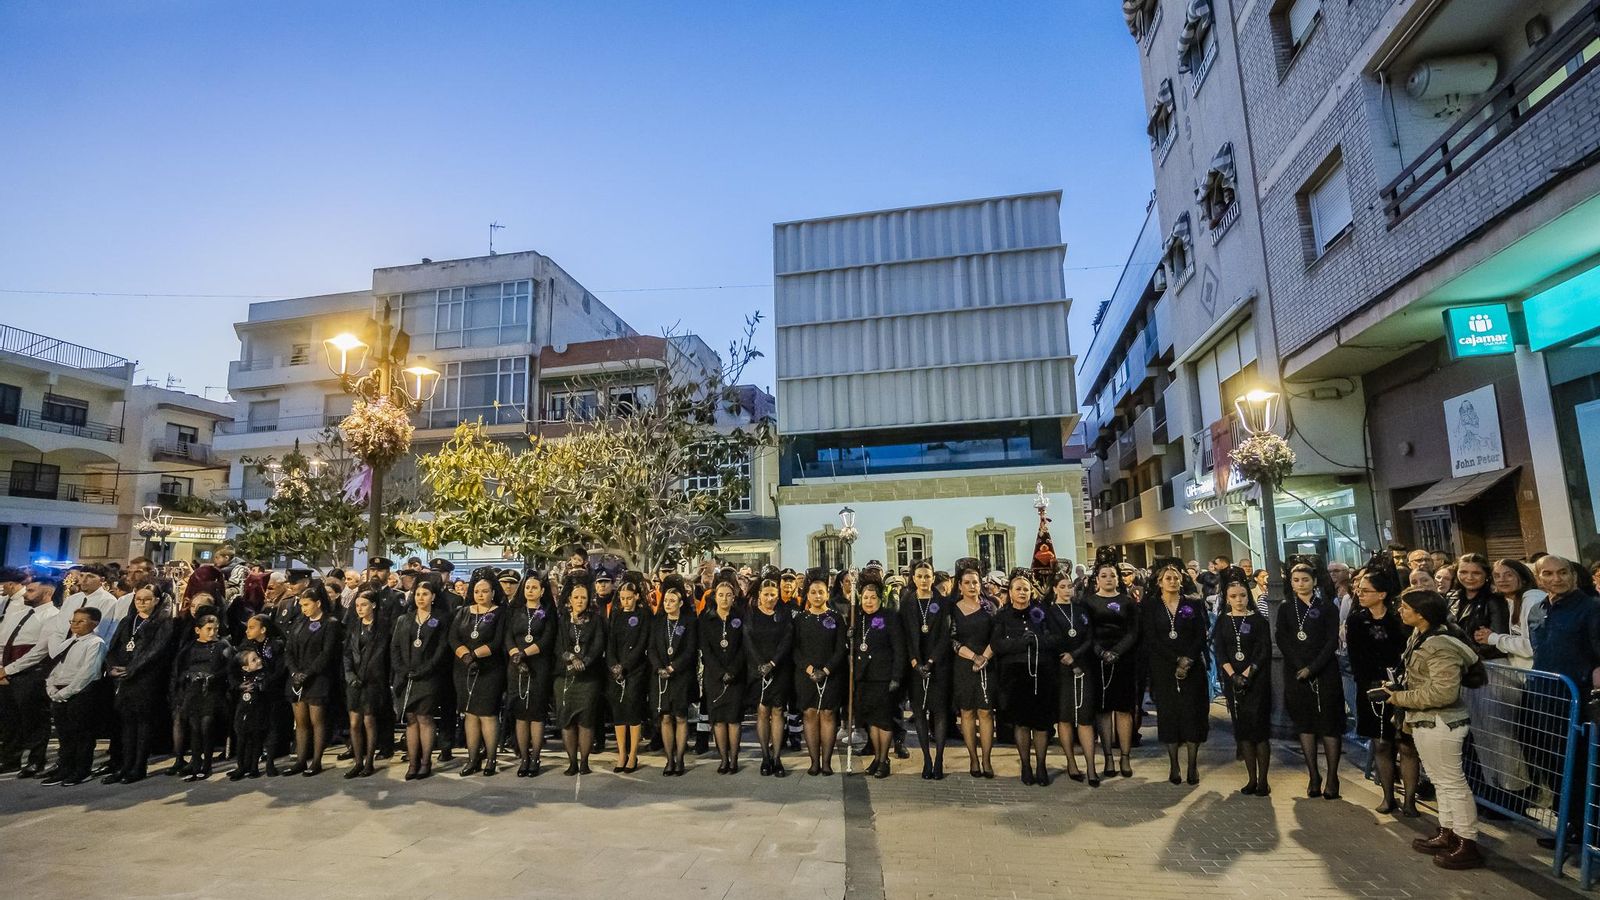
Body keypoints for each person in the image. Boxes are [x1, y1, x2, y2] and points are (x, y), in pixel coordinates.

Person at [1375, 589, 1486, 870]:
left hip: (1441, 722)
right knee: (1440, 781)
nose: (1399, 610)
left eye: (1404, 606)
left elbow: (1443, 692)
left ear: (1421, 613)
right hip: (1425, 720)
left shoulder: (1440, 644)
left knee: (1452, 782)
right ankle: (1448, 831)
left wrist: (1398, 697)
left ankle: (1466, 840)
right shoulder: (1420, 636)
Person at [1525, 554, 1600, 853]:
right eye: (1548, 574)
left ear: (1573, 574)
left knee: (1581, 768)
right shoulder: (1537, 610)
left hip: (1577, 702)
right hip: (1543, 699)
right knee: (1554, 766)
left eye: (1563, 572)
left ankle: (1588, 834)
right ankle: (1569, 826)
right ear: (1539, 578)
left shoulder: (1592, 609)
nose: (1556, 579)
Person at [1346, 565, 1416, 816]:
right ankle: (1388, 797)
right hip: (1371, 688)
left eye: (1366, 590)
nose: (1360, 594)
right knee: (1381, 744)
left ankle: (1410, 800)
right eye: (1359, 590)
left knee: (1406, 745)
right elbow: (1355, 656)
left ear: (1382, 594)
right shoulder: (1356, 619)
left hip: (1402, 688)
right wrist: (1371, 684)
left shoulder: (1399, 619)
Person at [1278, 561, 1347, 799]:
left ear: (1314, 581)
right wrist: (1300, 667)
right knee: (1305, 724)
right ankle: (1313, 775)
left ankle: (1332, 777)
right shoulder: (1286, 608)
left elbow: (1331, 641)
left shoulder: (1327, 607)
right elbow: (1283, 638)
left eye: (1305, 579)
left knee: (1329, 724)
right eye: (1296, 580)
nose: (1300, 584)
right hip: (1296, 672)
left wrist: (1313, 667)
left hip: (1325, 670)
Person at [1142, 558, 1210, 785]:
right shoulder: (1151, 605)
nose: (1172, 581)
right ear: (1160, 582)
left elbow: (1201, 633)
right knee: (1169, 714)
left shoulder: (1193, 603)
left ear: (1181, 581)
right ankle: (1174, 764)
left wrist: (1188, 659)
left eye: (1175, 578)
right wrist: (1175, 660)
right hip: (1164, 665)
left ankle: (1192, 764)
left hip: (1191, 665)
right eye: (1167, 578)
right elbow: (1151, 637)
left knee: (1192, 713)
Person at [992, 569, 1059, 786]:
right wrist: (1021, 643)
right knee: (1021, 723)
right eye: (1018, 589)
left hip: (1041, 673)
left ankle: (1040, 764)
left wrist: (1037, 640)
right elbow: (997, 644)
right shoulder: (1002, 615)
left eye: (1026, 589)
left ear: (1031, 592)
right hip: (1014, 675)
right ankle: (1025, 764)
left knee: (1041, 724)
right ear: (1010, 592)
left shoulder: (1041, 612)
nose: (1022, 592)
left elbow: (1055, 639)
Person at [102, 586, 173, 783]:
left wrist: (132, 669)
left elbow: (156, 651)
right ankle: (124, 766)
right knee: (126, 725)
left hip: (145, 680)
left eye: (147, 599)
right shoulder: (127, 621)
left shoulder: (163, 623)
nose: (141, 602)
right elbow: (113, 646)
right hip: (123, 679)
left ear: (156, 601)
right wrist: (111, 667)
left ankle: (138, 766)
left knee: (143, 724)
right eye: (138, 599)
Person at [1213, 572, 1272, 796]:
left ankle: (1263, 780)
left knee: (1259, 731)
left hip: (1256, 682)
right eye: (1234, 596)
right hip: (1233, 681)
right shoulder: (1223, 621)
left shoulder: (1258, 620)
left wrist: (1247, 673)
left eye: (1243, 595)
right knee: (1243, 731)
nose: (1239, 600)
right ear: (1227, 598)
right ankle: (1251, 778)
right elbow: (1220, 651)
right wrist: (1232, 676)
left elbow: (1262, 649)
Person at [1083, 557, 1139, 778]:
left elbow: (1134, 631)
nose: (1108, 579)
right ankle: (1107, 757)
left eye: (1112, 575)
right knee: (1103, 710)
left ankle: (1125, 756)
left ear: (1118, 579)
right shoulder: (1087, 602)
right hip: (1097, 660)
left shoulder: (1128, 602)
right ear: (1097, 579)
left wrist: (1117, 651)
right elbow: (1087, 631)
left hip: (1123, 659)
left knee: (1124, 709)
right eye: (1104, 575)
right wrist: (1100, 652)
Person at [39, 607, 108, 786]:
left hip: (81, 693)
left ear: (94, 623)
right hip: (60, 692)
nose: (75, 625)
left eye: (81, 621)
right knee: (64, 734)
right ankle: (65, 768)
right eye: (73, 621)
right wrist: (51, 687)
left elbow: (88, 672)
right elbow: (56, 665)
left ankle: (81, 770)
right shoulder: (69, 642)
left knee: (82, 734)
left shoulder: (95, 643)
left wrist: (66, 692)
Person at [0, 575, 59, 777]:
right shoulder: (20, 613)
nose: (27, 593)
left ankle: (36, 760)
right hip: (9, 671)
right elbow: (5, 641)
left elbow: (39, 652)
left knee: (34, 719)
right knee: (10, 719)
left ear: (48, 592)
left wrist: (8, 669)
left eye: (32, 590)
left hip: (31, 674)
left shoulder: (52, 615)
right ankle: (10, 758)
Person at [392, 578, 449, 781]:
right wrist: (401, 669)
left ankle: (426, 761)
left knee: (425, 717)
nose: (420, 597)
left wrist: (425, 670)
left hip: (429, 677)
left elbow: (441, 650)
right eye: (417, 594)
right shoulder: (404, 619)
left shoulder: (441, 619)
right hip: (406, 677)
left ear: (433, 597)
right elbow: (395, 648)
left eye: (425, 594)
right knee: (411, 719)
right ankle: (413, 762)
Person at [1045, 566, 1099, 785]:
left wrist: (1075, 655)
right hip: (1060, 669)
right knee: (1064, 718)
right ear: (1055, 589)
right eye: (1063, 587)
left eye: (1070, 586)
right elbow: (1049, 637)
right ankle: (1071, 762)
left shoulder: (1081, 610)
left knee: (1085, 718)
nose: (1067, 590)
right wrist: (1063, 656)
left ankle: (1092, 766)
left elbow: (1089, 636)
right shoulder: (1048, 611)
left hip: (1082, 664)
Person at [451, 571, 506, 776]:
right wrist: (465, 655)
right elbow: (453, 637)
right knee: (470, 714)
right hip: (464, 668)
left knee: (488, 714)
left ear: (493, 592)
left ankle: (491, 759)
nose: (480, 595)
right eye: (477, 591)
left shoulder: (500, 612)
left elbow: (498, 641)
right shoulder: (463, 611)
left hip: (490, 669)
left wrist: (475, 654)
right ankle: (472, 759)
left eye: (485, 591)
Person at [901, 558, 952, 780]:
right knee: (920, 713)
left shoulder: (942, 602)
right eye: (920, 576)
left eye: (927, 576)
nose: (923, 580)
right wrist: (915, 662)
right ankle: (927, 759)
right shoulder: (908, 601)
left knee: (939, 712)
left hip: (938, 665)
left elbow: (945, 635)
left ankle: (939, 758)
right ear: (913, 578)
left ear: (933, 579)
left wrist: (931, 662)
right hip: (915, 666)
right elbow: (905, 636)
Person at [792, 568, 846, 776]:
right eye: (813, 592)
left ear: (827, 593)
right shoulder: (800, 619)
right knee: (810, 713)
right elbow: (794, 648)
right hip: (805, 674)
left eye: (821, 592)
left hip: (831, 673)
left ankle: (826, 762)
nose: (817, 596)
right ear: (807, 594)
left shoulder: (836, 617)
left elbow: (840, 648)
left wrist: (826, 670)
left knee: (828, 714)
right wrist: (809, 669)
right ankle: (814, 761)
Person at [283, 582, 340, 776]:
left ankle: (316, 761)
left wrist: (308, 673)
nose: (303, 608)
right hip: (297, 678)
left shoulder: (330, 623)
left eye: (306, 604)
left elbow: (326, 653)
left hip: (317, 679)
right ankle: (300, 760)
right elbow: (289, 650)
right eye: (301, 605)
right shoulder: (300, 622)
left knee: (318, 722)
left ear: (318, 603)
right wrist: (294, 673)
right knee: (301, 722)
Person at [850, 581, 905, 779]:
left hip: (884, 677)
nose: (869, 601)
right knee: (872, 720)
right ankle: (877, 757)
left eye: (873, 597)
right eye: (865, 597)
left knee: (884, 722)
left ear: (880, 599)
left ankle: (884, 760)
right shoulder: (858, 618)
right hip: (864, 678)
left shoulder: (889, 617)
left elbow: (899, 648)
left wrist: (897, 676)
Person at [168, 613, 233, 782]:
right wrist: (188, 677)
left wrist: (213, 677)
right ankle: (196, 764)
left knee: (206, 726)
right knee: (194, 728)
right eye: (208, 629)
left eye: (215, 629)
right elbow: (180, 668)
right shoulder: (190, 647)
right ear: (198, 630)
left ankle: (207, 765)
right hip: (193, 692)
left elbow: (229, 668)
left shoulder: (222, 645)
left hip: (212, 692)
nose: (212, 633)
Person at [505, 571, 557, 777]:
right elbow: (508, 635)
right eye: (527, 587)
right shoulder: (515, 611)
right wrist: (515, 655)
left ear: (542, 591)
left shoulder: (547, 612)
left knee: (536, 713)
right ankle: (523, 757)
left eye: (534, 587)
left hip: (538, 665)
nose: (530, 590)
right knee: (520, 713)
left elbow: (547, 639)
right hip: (516, 665)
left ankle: (535, 756)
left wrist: (525, 653)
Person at [552, 577, 605, 776]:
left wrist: (585, 661)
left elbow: (598, 645)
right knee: (567, 720)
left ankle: (584, 762)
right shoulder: (562, 620)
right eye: (576, 597)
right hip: (564, 676)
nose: (580, 600)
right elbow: (557, 646)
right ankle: (571, 761)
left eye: (583, 597)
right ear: (570, 600)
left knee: (586, 720)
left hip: (588, 677)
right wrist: (571, 658)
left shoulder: (596, 620)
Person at [949, 562, 996, 779]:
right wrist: (973, 657)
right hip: (963, 665)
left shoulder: (990, 607)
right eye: (967, 583)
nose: (971, 586)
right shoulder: (953, 609)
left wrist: (984, 657)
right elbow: (952, 640)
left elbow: (997, 636)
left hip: (987, 663)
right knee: (967, 712)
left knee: (985, 712)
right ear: (959, 585)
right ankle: (973, 758)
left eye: (975, 582)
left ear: (980, 585)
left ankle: (986, 759)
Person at [745, 575, 793, 777]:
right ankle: (765, 756)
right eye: (766, 594)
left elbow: (787, 639)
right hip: (757, 669)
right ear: (759, 595)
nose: (770, 598)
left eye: (774, 594)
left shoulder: (784, 614)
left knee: (778, 711)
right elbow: (747, 639)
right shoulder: (751, 614)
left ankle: (777, 757)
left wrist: (773, 663)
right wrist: (760, 665)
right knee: (763, 711)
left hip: (779, 668)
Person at [649, 578, 697, 775]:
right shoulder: (658, 622)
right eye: (666, 600)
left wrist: (673, 667)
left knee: (681, 717)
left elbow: (690, 649)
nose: (668, 604)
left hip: (680, 676)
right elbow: (651, 648)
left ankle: (680, 758)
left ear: (680, 603)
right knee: (666, 717)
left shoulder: (689, 622)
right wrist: (660, 667)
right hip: (660, 676)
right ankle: (669, 759)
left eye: (672, 600)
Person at [701, 576, 747, 774]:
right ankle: (723, 758)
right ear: (715, 597)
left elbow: (745, 647)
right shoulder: (706, 618)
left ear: (734, 598)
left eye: (728, 595)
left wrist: (733, 670)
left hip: (736, 675)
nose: (725, 599)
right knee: (718, 719)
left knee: (734, 719)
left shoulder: (740, 617)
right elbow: (706, 649)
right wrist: (720, 672)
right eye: (721, 595)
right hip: (714, 676)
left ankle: (734, 758)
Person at [605, 572, 650, 773]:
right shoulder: (615, 615)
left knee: (632, 710)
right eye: (623, 598)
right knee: (618, 711)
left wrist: (626, 665)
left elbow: (642, 644)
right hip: (616, 670)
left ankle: (633, 753)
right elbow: (611, 642)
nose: (626, 602)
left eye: (629, 598)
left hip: (635, 669)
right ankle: (621, 752)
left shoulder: (643, 615)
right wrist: (613, 664)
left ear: (637, 596)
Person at [341, 591, 389, 779]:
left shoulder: (382, 628)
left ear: (373, 606)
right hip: (354, 681)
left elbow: (379, 655)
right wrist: (350, 675)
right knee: (354, 723)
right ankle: (358, 761)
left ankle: (369, 761)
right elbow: (347, 654)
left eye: (364, 605)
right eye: (357, 605)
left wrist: (364, 675)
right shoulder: (353, 626)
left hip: (372, 681)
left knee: (369, 721)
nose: (360, 609)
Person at [229, 614, 280, 780]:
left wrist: (265, 682)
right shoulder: (244, 646)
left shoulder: (275, 645)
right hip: (248, 698)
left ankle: (269, 763)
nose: (247, 630)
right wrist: (238, 685)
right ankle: (244, 766)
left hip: (270, 693)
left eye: (252, 627)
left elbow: (279, 669)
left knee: (270, 729)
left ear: (263, 629)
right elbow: (233, 669)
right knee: (246, 733)